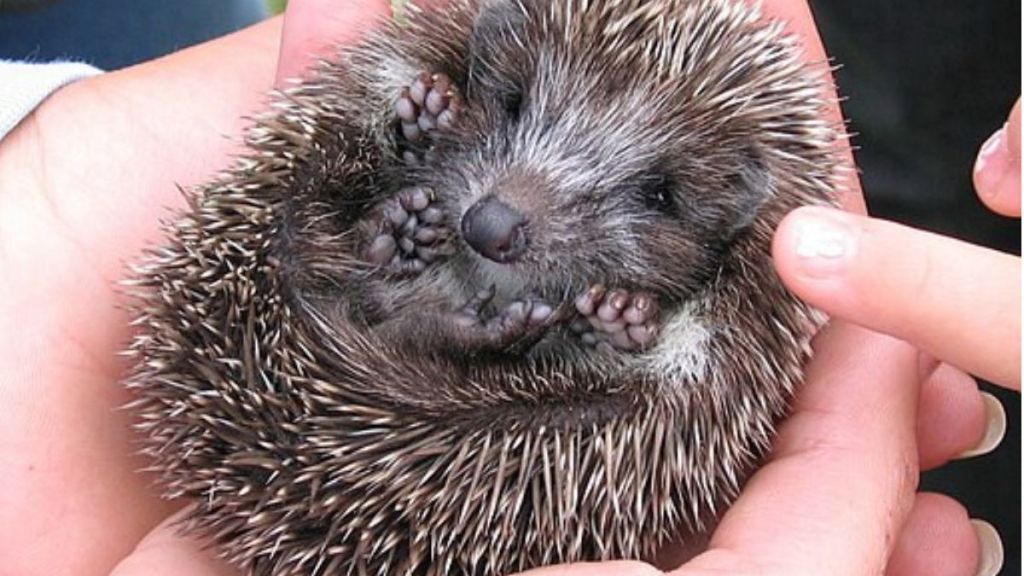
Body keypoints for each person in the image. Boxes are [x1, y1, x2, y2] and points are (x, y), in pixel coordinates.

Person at [0, 1, 1014, 575]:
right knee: (355, 179)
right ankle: (430, 307)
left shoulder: (723, 298)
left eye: (654, 194)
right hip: (375, 316)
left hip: (486, 406)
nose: (507, 203)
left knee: (641, 380)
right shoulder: (450, 68)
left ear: (732, 211)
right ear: (495, 52)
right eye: (519, 103)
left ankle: (434, 314)